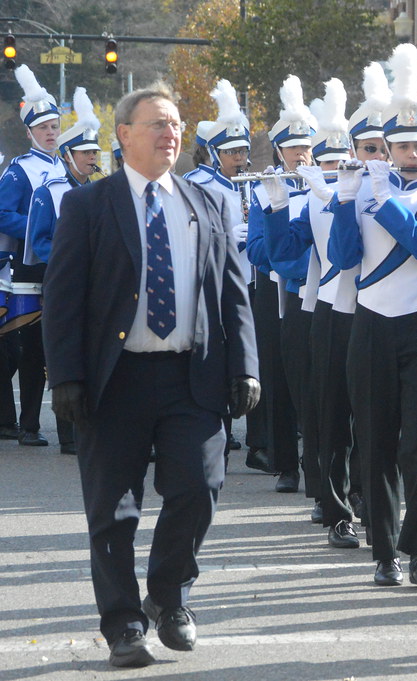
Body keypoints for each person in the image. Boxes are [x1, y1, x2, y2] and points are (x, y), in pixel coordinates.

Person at [42, 83, 259, 668]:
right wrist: (65, 375)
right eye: (158, 124)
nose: (171, 133)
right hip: (115, 380)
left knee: (199, 489)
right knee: (113, 509)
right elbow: (62, 298)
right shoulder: (89, 205)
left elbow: (232, 292)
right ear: (124, 135)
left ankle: (168, 597)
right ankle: (123, 624)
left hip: (193, 376)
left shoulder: (205, 203)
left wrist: (245, 365)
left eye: (176, 124)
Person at [328, 43, 417, 588]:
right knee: (377, 441)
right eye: (401, 145)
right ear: (385, 148)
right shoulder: (364, 189)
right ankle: (384, 552)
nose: (411, 154)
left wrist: (382, 200)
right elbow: (343, 259)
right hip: (370, 327)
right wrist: (345, 200)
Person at [264, 76, 366, 549]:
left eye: (342, 162)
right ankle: (333, 501)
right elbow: (283, 258)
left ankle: (368, 496)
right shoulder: (310, 203)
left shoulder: (376, 196)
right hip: (327, 311)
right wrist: (279, 205)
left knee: (374, 414)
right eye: (325, 163)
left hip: (375, 312)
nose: (333, 170)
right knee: (329, 415)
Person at [244, 75, 314, 500]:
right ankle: (285, 464)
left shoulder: (326, 186)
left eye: (307, 145)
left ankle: (320, 462)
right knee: (280, 380)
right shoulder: (263, 189)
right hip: (276, 293)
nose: (302, 154)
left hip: (318, 293)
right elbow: (255, 248)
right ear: (279, 151)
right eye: (294, 147)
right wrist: (288, 256)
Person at [26, 86, 104, 456]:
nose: (92, 159)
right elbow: (38, 240)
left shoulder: (101, 192)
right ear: (68, 155)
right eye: (86, 153)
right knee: (63, 352)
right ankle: (68, 434)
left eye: (95, 153)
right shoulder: (49, 190)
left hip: (95, 287)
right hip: (60, 285)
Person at [182, 79, 252, 462]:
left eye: (242, 149)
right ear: (213, 153)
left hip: (248, 281)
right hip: (210, 284)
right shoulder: (197, 183)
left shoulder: (251, 183)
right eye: (231, 151)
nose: (239, 157)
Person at [0, 65, 65, 448]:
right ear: (29, 133)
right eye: (43, 128)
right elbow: (3, 214)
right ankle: (27, 425)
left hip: (58, 266)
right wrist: (39, 225)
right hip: (26, 267)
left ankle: (41, 423)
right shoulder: (19, 170)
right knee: (27, 347)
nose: (51, 133)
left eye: (54, 126)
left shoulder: (64, 166)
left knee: (49, 346)